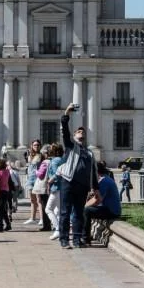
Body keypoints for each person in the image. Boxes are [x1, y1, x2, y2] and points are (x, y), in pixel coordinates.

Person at [56, 104, 98, 249]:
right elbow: (64, 128)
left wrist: (95, 189)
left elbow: (93, 172)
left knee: (79, 214)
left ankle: (77, 239)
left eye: (83, 131)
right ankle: (64, 240)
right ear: (74, 136)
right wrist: (67, 112)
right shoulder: (70, 146)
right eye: (78, 131)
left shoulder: (90, 153)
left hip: (83, 186)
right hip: (68, 182)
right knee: (65, 212)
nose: (81, 132)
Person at [84, 161, 122, 228]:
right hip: (110, 209)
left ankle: (85, 236)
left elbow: (97, 200)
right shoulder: (106, 179)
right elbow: (95, 198)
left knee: (86, 211)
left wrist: (84, 206)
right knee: (86, 208)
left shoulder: (104, 181)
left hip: (112, 212)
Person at [44, 143, 65, 241]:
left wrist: (50, 180)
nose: (48, 151)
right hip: (61, 188)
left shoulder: (55, 160)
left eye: (50, 149)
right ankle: (61, 230)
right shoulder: (62, 159)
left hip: (56, 188)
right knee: (58, 211)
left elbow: (58, 173)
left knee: (48, 209)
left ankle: (58, 229)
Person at [24, 139, 43, 224]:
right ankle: (32, 218)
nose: (36, 146)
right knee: (32, 200)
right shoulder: (30, 155)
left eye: (38, 145)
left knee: (39, 200)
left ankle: (42, 219)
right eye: (35, 145)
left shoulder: (41, 156)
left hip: (38, 179)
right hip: (30, 179)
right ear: (32, 146)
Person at [0, 158, 13, 232]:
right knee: (4, 209)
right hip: (6, 191)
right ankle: (8, 224)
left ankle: (1, 225)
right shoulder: (7, 171)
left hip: (0, 192)